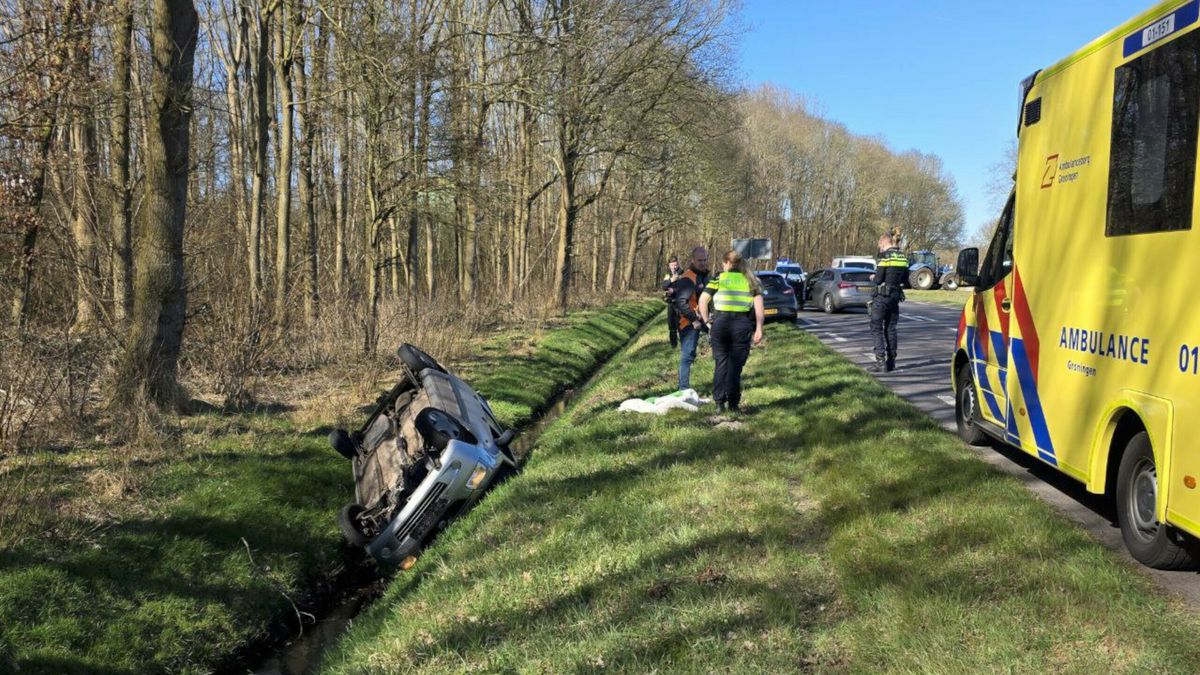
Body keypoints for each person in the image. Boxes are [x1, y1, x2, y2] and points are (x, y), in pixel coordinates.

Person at [698, 250, 764, 413]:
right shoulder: (751, 280)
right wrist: (759, 328)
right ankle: (733, 404)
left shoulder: (718, 279)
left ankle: (719, 402)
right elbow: (759, 307)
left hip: (721, 323)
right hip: (742, 324)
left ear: (727, 263)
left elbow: (703, 301)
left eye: (723, 263)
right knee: (735, 366)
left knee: (721, 363)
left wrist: (707, 322)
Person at [669, 247, 710, 391]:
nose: (703, 263)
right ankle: (683, 389)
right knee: (687, 355)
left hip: (703, 321)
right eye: (700, 260)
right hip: (689, 323)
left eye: (705, 260)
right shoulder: (688, 278)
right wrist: (694, 320)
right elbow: (681, 303)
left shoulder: (704, 276)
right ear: (693, 260)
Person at [870, 232, 909, 373]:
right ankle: (891, 362)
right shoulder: (903, 258)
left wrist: (873, 276)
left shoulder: (885, 257)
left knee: (876, 327)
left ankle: (880, 362)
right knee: (891, 329)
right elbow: (906, 280)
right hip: (895, 297)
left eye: (880, 245)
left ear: (884, 243)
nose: (879, 248)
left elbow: (878, 280)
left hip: (882, 297)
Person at [662, 255, 682, 348]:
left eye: (675, 265)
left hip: (680, 303)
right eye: (672, 265)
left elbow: (685, 288)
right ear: (669, 265)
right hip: (671, 303)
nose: (674, 267)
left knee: (681, 324)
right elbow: (664, 286)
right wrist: (671, 280)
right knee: (671, 325)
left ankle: (683, 344)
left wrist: (674, 291)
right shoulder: (668, 274)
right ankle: (673, 345)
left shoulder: (682, 273)